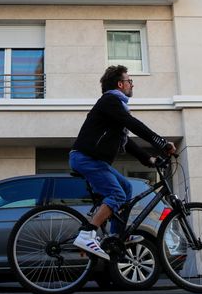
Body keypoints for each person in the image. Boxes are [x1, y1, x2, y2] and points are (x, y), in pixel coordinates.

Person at [69, 65, 176, 259]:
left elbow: (126, 143)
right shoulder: (110, 101)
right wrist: (160, 142)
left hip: (95, 161)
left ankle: (118, 236)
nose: (131, 84)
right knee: (116, 194)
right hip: (86, 158)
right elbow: (133, 124)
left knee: (126, 188)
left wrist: (149, 159)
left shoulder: (115, 108)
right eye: (129, 81)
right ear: (120, 84)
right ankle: (87, 233)